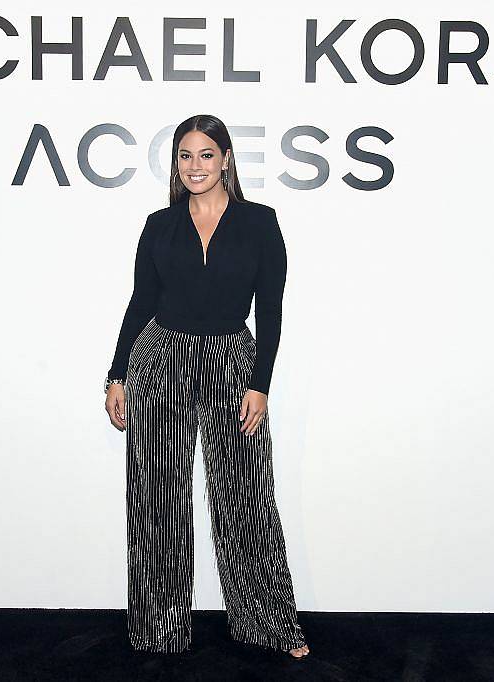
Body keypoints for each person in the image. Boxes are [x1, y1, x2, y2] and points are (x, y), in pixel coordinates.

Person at [103, 114, 310, 660]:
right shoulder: (158, 225)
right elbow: (140, 302)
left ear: (226, 160)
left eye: (205, 155)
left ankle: (268, 624)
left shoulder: (260, 223)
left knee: (244, 499)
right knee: (158, 503)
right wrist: (117, 373)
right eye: (185, 156)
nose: (195, 166)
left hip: (229, 363)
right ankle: (158, 631)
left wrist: (260, 385)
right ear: (176, 163)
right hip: (161, 361)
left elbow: (271, 309)